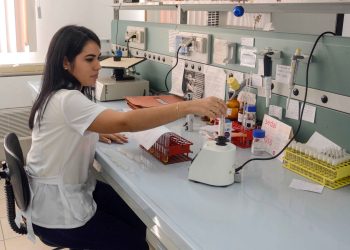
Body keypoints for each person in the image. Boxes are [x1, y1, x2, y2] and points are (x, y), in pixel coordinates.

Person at [25, 25, 227, 250]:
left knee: (136, 219)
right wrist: (189, 106)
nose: (98, 65)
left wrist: (94, 128)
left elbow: (67, 130)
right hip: (58, 214)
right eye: (89, 59)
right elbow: (126, 122)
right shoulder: (68, 100)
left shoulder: (55, 93)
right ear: (65, 62)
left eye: (98, 58)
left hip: (55, 195)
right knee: (134, 243)